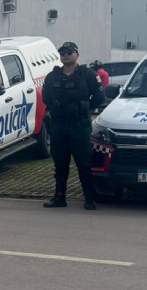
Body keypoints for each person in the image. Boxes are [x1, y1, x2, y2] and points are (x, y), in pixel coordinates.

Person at [42, 42, 106, 210]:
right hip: (59, 125)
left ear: (77, 54)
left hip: (79, 124)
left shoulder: (88, 75)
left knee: (84, 164)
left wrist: (85, 108)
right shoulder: (52, 76)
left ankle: (89, 199)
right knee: (60, 163)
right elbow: (46, 98)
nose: (66, 55)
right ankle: (59, 198)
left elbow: (100, 97)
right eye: (63, 53)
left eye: (70, 52)